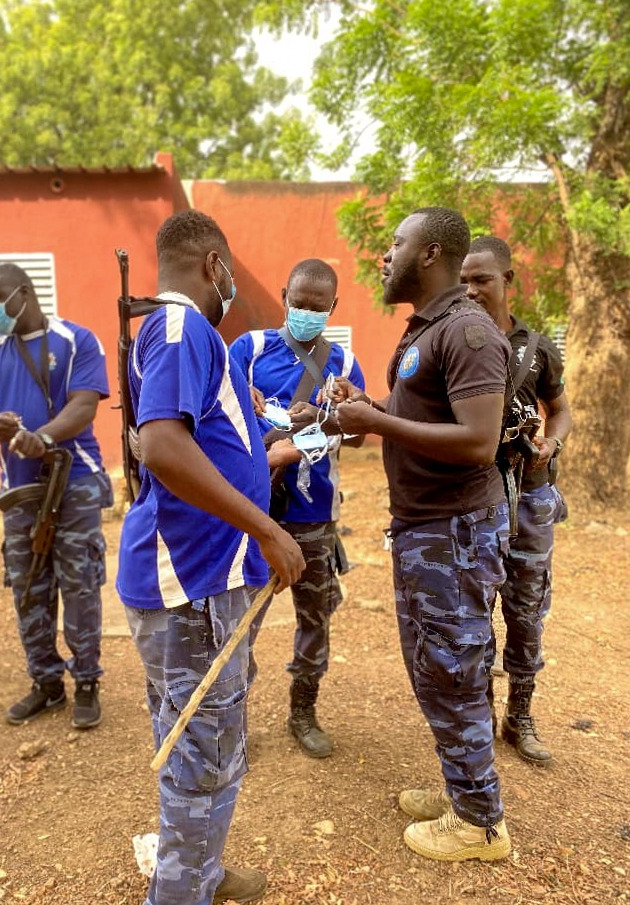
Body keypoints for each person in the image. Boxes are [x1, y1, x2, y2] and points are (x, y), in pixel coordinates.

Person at [116, 210, 305, 905]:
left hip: (202, 579)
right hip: (190, 583)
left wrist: (272, 455)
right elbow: (163, 445)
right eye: (232, 276)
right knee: (204, 752)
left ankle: (197, 868)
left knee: (206, 741)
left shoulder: (180, 334)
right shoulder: (183, 327)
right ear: (215, 265)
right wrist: (267, 527)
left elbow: (205, 445)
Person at [329, 207, 512, 862]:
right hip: (428, 530)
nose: (385, 255)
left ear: (430, 254)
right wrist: (369, 407)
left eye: (396, 244)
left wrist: (376, 425)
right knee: (439, 669)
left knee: (453, 669)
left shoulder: (466, 333)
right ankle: (464, 791)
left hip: (454, 532)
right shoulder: (428, 332)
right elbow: (424, 416)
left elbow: (478, 441)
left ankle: (480, 826)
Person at [0, 264, 113, 729]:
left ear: (24, 293)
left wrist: (43, 438)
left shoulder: (76, 340)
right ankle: (46, 684)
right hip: (19, 490)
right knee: (27, 587)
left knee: (80, 584)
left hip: (75, 481)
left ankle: (86, 682)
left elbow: (84, 404)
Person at [229, 259, 365, 758]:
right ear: (284, 294)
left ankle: (303, 712)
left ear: (333, 306)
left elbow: (356, 430)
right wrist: (253, 408)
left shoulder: (344, 364)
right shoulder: (249, 349)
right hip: (254, 509)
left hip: (314, 513)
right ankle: (232, 721)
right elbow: (221, 415)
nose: (306, 312)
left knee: (315, 618)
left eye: (317, 306)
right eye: (299, 302)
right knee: (242, 621)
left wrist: (305, 433)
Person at [462, 235, 572, 764]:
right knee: (475, 612)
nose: (471, 289)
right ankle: (478, 720)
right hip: (477, 498)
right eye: (464, 280)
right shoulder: (460, 338)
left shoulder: (537, 347)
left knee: (527, 611)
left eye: (481, 279)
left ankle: (520, 716)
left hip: (530, 497)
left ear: (507, 280)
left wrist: (552, 441)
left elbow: (562, 409)